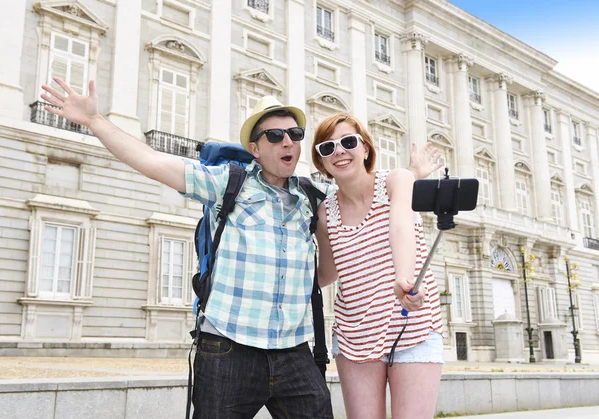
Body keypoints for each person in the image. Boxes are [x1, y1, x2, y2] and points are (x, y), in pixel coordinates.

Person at [40, 77, 439, 418]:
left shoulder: (310, 199)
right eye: (276, 135)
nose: (288, 142)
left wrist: (413, 175)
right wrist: (94, 120)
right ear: (255, 147)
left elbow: (377, 205)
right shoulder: (225, 183)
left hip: (293, 351)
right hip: (228, 347)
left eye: (296, 135)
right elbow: (150, 161)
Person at [312, 112, 444, 419]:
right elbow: (328, 272)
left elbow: (400, 227)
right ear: (321, 161)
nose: (339, 152)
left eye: (347, 142)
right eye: (327, 148)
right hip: (354, 335)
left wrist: (404, 278)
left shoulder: (397, 181)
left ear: (366, 148)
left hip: (413, 328)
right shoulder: (324, 212)